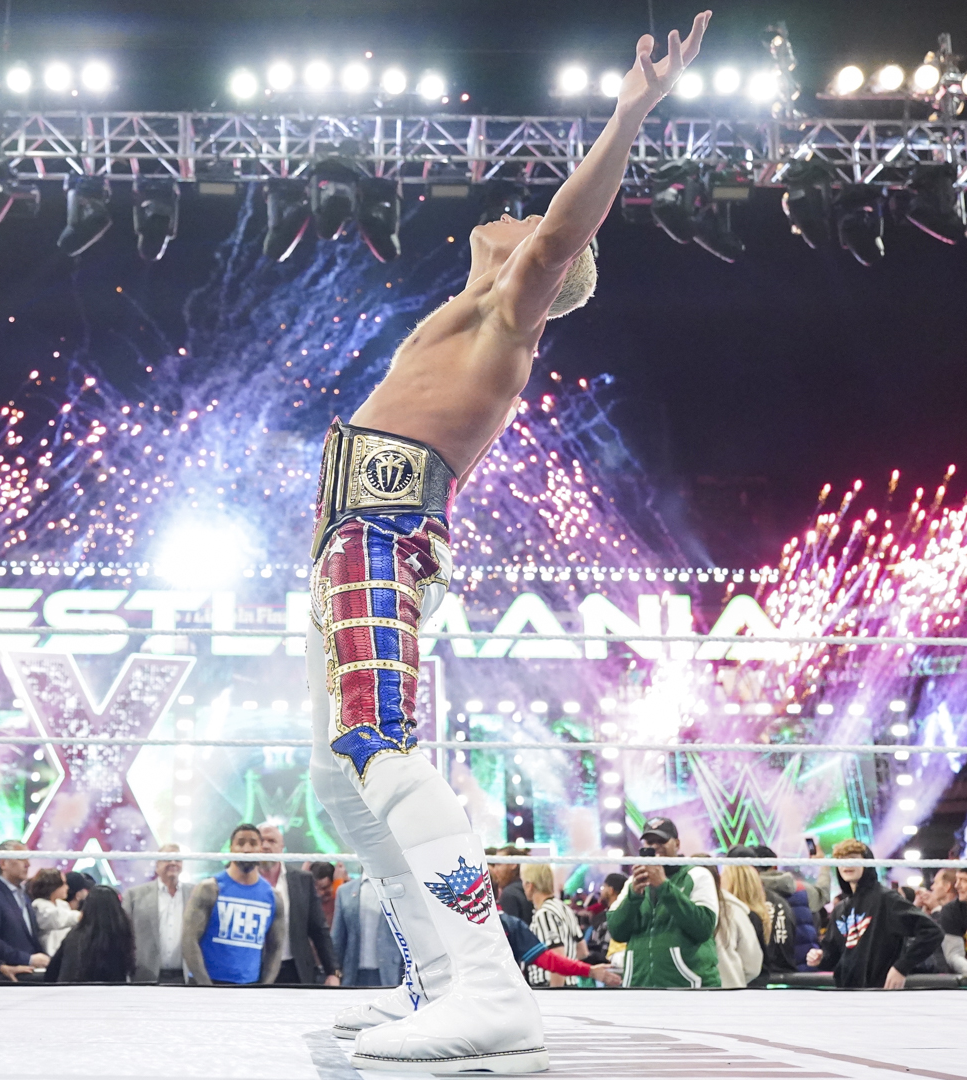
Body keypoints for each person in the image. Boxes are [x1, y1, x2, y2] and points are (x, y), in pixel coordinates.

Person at [306, 14, 709, 1071]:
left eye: (531, 225)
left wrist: (630, 113)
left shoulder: (510, 316)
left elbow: (563, 233)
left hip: (384, 528)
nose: (516, 215)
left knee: (378, 745)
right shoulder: (470, 314)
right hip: (356, 533)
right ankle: (441, 986)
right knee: (340, 776)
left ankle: (492, 990)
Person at [805, 839, 941, 989]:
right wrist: (820, 957)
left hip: (881, 993)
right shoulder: (840, 909)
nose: (846, 864)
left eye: (853, 858)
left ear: (867, 862)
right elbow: (833, 955)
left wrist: (902, 967)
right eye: (841, 860)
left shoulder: (886, 899)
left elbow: (932, 932)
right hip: (847, 993)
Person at [606, 817, 720, 987]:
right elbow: (617, 932)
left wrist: (663, 886)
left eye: (661, 840)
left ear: (677, 844)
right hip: (640, 985)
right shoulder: (633, 882)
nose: (655, 846)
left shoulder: (697, 875)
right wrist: (634, 896)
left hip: (689, 986)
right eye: (649, 842)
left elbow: (703, 928)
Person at [183, 824, 286, 985]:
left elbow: (276, 948)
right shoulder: (210, 889)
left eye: (253, 843)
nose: (246, 849)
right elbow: (189, 940)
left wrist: (264, 988)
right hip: (208, 983)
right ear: (231, 848)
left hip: (249, 985)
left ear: (260, 849)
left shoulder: (273, 897)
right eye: (241, 843)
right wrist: (205, 987)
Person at [261, 823, 340, 984]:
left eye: (271, 841)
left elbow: (318, 929)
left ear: (282, 847)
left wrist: (332, 971)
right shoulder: (244, 882)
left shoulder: (302, 880)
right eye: (261, 841)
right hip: (256, 969)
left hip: (295, 969)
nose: (265, 846)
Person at [0, 839, 48, 971]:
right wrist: (27, 959)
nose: (28, 864)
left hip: (29, 972)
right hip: (7, 974)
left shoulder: (23, 895)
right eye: (21, 858)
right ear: (3, 863)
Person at [500, 912, 622, 987]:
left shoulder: (508, 924)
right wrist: (590, 971)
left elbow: (550, 960)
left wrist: (590, 971)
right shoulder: (508, 924)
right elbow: (550, 961)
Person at [123, 844, 187, 984]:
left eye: (177, 859)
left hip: (186, 979)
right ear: (157, 865)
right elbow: (123, 935)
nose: (173, 863)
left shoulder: (194, 894)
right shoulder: (134, 895)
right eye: (167, 859)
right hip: (145, 977)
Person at [46, 885, 137, 983]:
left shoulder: (74, 936)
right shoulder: (121, 936)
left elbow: (52, 971)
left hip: (73, 989)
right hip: (110, 990)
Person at [746, 845, 811, 978]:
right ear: (775, 865)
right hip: (799, 969)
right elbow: (823, 894)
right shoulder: (801, 889)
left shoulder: (746, 894)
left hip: (759, 972)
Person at [334, 868, 406, 988]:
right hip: (353, 974)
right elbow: (338, 937)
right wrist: (334, 972)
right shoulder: (344, 891)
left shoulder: (399, 889)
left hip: (392, 972)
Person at [520, 863, 579, 988]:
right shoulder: (564, 908)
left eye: (524, 882)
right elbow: (582, 950)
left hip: (550, 986)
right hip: (570, 985)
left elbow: (558, 959)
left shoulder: (544, 914)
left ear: (530, 885)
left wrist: (554, 993)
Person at [715, 864, 770, 988]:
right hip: (756, 985)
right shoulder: (759, 915)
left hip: (740, 987)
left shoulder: (736, 915)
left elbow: (752, 965)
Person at [28, 868, 81, 955]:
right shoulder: (38, 906)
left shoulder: (63, 905)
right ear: (52, 886)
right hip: (48, 956)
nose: (67, 887)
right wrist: (80, 916)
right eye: (63, 884)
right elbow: (57, 919)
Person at [489, 849, 535, 923]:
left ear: (513, 864)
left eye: (498, 864)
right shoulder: (527, 889)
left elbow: (510, 928)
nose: (495, 870)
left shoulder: (509, 894)